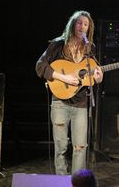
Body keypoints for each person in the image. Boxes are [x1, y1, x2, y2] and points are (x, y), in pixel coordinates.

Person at [35, 10, 103, 175]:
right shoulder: (58, 44)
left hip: (80, 103)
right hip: (60, 102)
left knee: (80, 147)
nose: (82, 26)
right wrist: (63, 77)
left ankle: (77, 182)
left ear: (89, 28)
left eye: (85, 24)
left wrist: (98, 78)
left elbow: (93, 75)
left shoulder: (90, 48)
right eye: (79, 23)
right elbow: (40, 66)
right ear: (73, 24)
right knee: (61, 147)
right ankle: (61, 182)